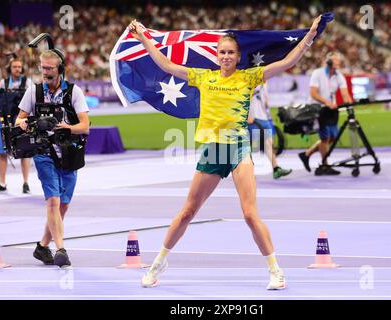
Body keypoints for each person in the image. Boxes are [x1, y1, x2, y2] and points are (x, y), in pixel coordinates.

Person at [128, 15, 325, 290]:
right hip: (213, 151)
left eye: (231, 52)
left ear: (238, 55)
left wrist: (309, 37)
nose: (226, 56)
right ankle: (158, 263)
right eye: (222, 52)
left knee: (249, 213)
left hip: (238, 149)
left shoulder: (249, 77)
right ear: (216, 54)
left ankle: (275, 271)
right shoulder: (203, 76)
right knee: (187, 212)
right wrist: (144, 39)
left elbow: (286, 62)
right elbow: (167, 64)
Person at [15, 49, 90, 267]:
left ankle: (42, 246)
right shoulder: (34, 91)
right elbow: (20, 118)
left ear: (61, 69)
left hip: (69, 152)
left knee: (63, 205)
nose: (45, 72)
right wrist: (25, 123)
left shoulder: (74, 92)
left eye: (49, 68)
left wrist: (68, 128)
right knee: (53, 201)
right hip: (43, 152)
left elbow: (84, 125)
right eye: (42, 67)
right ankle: (61, 250)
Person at [298, 52, 353, 176]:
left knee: (333, 137)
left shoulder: (339, 76)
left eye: (339, 61)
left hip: (331, 109)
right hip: (318, 109)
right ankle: (325, 165)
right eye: (336, 61)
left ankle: (306, 154)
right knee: (325, 138)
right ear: (329, 62)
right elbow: (313, 93)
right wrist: (327, 102)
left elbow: (345, 93)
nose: (338, 63)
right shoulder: (317, 73)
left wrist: (349, 104)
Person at [0, 56, 32, 193]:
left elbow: (31, 102)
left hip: (21, 121)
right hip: (5, 121)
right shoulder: (3, 83)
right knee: (2, 152)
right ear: (9, 69)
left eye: (19, 67)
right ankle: (2, 183)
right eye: (15, 67)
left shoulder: (27, 82)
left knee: (25, 151)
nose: (17, 69)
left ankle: (26, 183)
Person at [248, 83, 292, 179]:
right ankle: (247, 171)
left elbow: (265, 99)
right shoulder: (250, 77)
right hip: (253, 118)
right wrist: (248, 114)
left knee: (268, 143)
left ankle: (276, 169)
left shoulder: (265, 82)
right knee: (251, 145)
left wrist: (269, 116)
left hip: (264, 117)